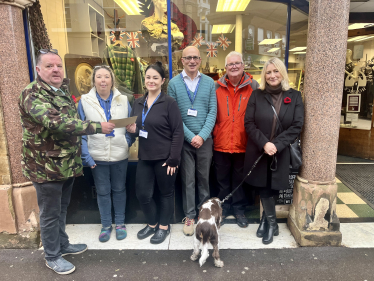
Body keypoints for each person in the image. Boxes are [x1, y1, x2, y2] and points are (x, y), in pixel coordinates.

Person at [18, 49, 115, 275]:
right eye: (50, 66)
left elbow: (71, 121)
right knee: (50, 213)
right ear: (38, 70)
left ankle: (62, 244)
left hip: (65, 165)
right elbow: (56, 123)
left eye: (58, 66)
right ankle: (52, 256)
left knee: (62, 209)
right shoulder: (31, 94)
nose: (56, 70)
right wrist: (98, 126)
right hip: (45, 167)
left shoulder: (60, 90)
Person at [244, 57, 304, 244]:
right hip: (260, 151)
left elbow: (297, 125)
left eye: (275, 71)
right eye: (268, 72)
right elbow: (249, 123)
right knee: (263, 188)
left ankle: (267, 222)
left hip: (281, 152)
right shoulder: (257, 95)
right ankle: (273, 224)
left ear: (282, 73)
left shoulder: (294, 96)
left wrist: (277, 144)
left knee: (274, 187)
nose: (272, 75)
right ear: (264, 75)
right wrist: (265, 143)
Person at [126, 62, 184, 244]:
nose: (151, 81)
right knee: (143, 194)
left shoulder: (169, 103)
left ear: (162, 81)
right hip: (145, 156)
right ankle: (152, 223)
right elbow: (138, 130)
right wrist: (132, 129)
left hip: (165, 158)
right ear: (144, 80)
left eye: (155, 78)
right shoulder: (138, 102)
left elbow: (178, 132)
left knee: (166, 193)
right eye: (148, 77)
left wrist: (174, 158)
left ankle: (164, 227)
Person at [78, 65, 133, 243]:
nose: (103, 80)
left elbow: (131, 127)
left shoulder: (124, 99)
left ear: (112, 80)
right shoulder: (85, 101)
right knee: (102, 192)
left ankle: (120, 224)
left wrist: (127, 143)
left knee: (119, 190)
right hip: (97, 156)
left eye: (106, 77)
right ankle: (105, 225)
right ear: (93, 80)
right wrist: (86, 156)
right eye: (99, 77)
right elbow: (81, 129)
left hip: (119, 155)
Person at [168, 46, 217, 236]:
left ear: (200, 60)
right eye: (188, 58)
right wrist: (190, 137)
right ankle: (190, 216)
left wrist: (202, 136)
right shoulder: (173, 84)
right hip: (184, 140)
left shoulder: (209, 82)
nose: (192, 61)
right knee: (187, 180)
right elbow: (175, 115)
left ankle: (204, 216)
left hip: (205, 140)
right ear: (182, 60)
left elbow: (213, 111)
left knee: (204, 179)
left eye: (196, 57)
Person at [213, 51, 259, 228]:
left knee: (240, 180)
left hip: (243, 143)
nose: (233, 66)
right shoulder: (216, 87)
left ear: (243, 65)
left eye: (237, 63)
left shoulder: (253, 87)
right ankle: (223, 210)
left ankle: (239, 210)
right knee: (222, 181)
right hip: (221, 142)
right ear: (225, 67)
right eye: (230, 64)